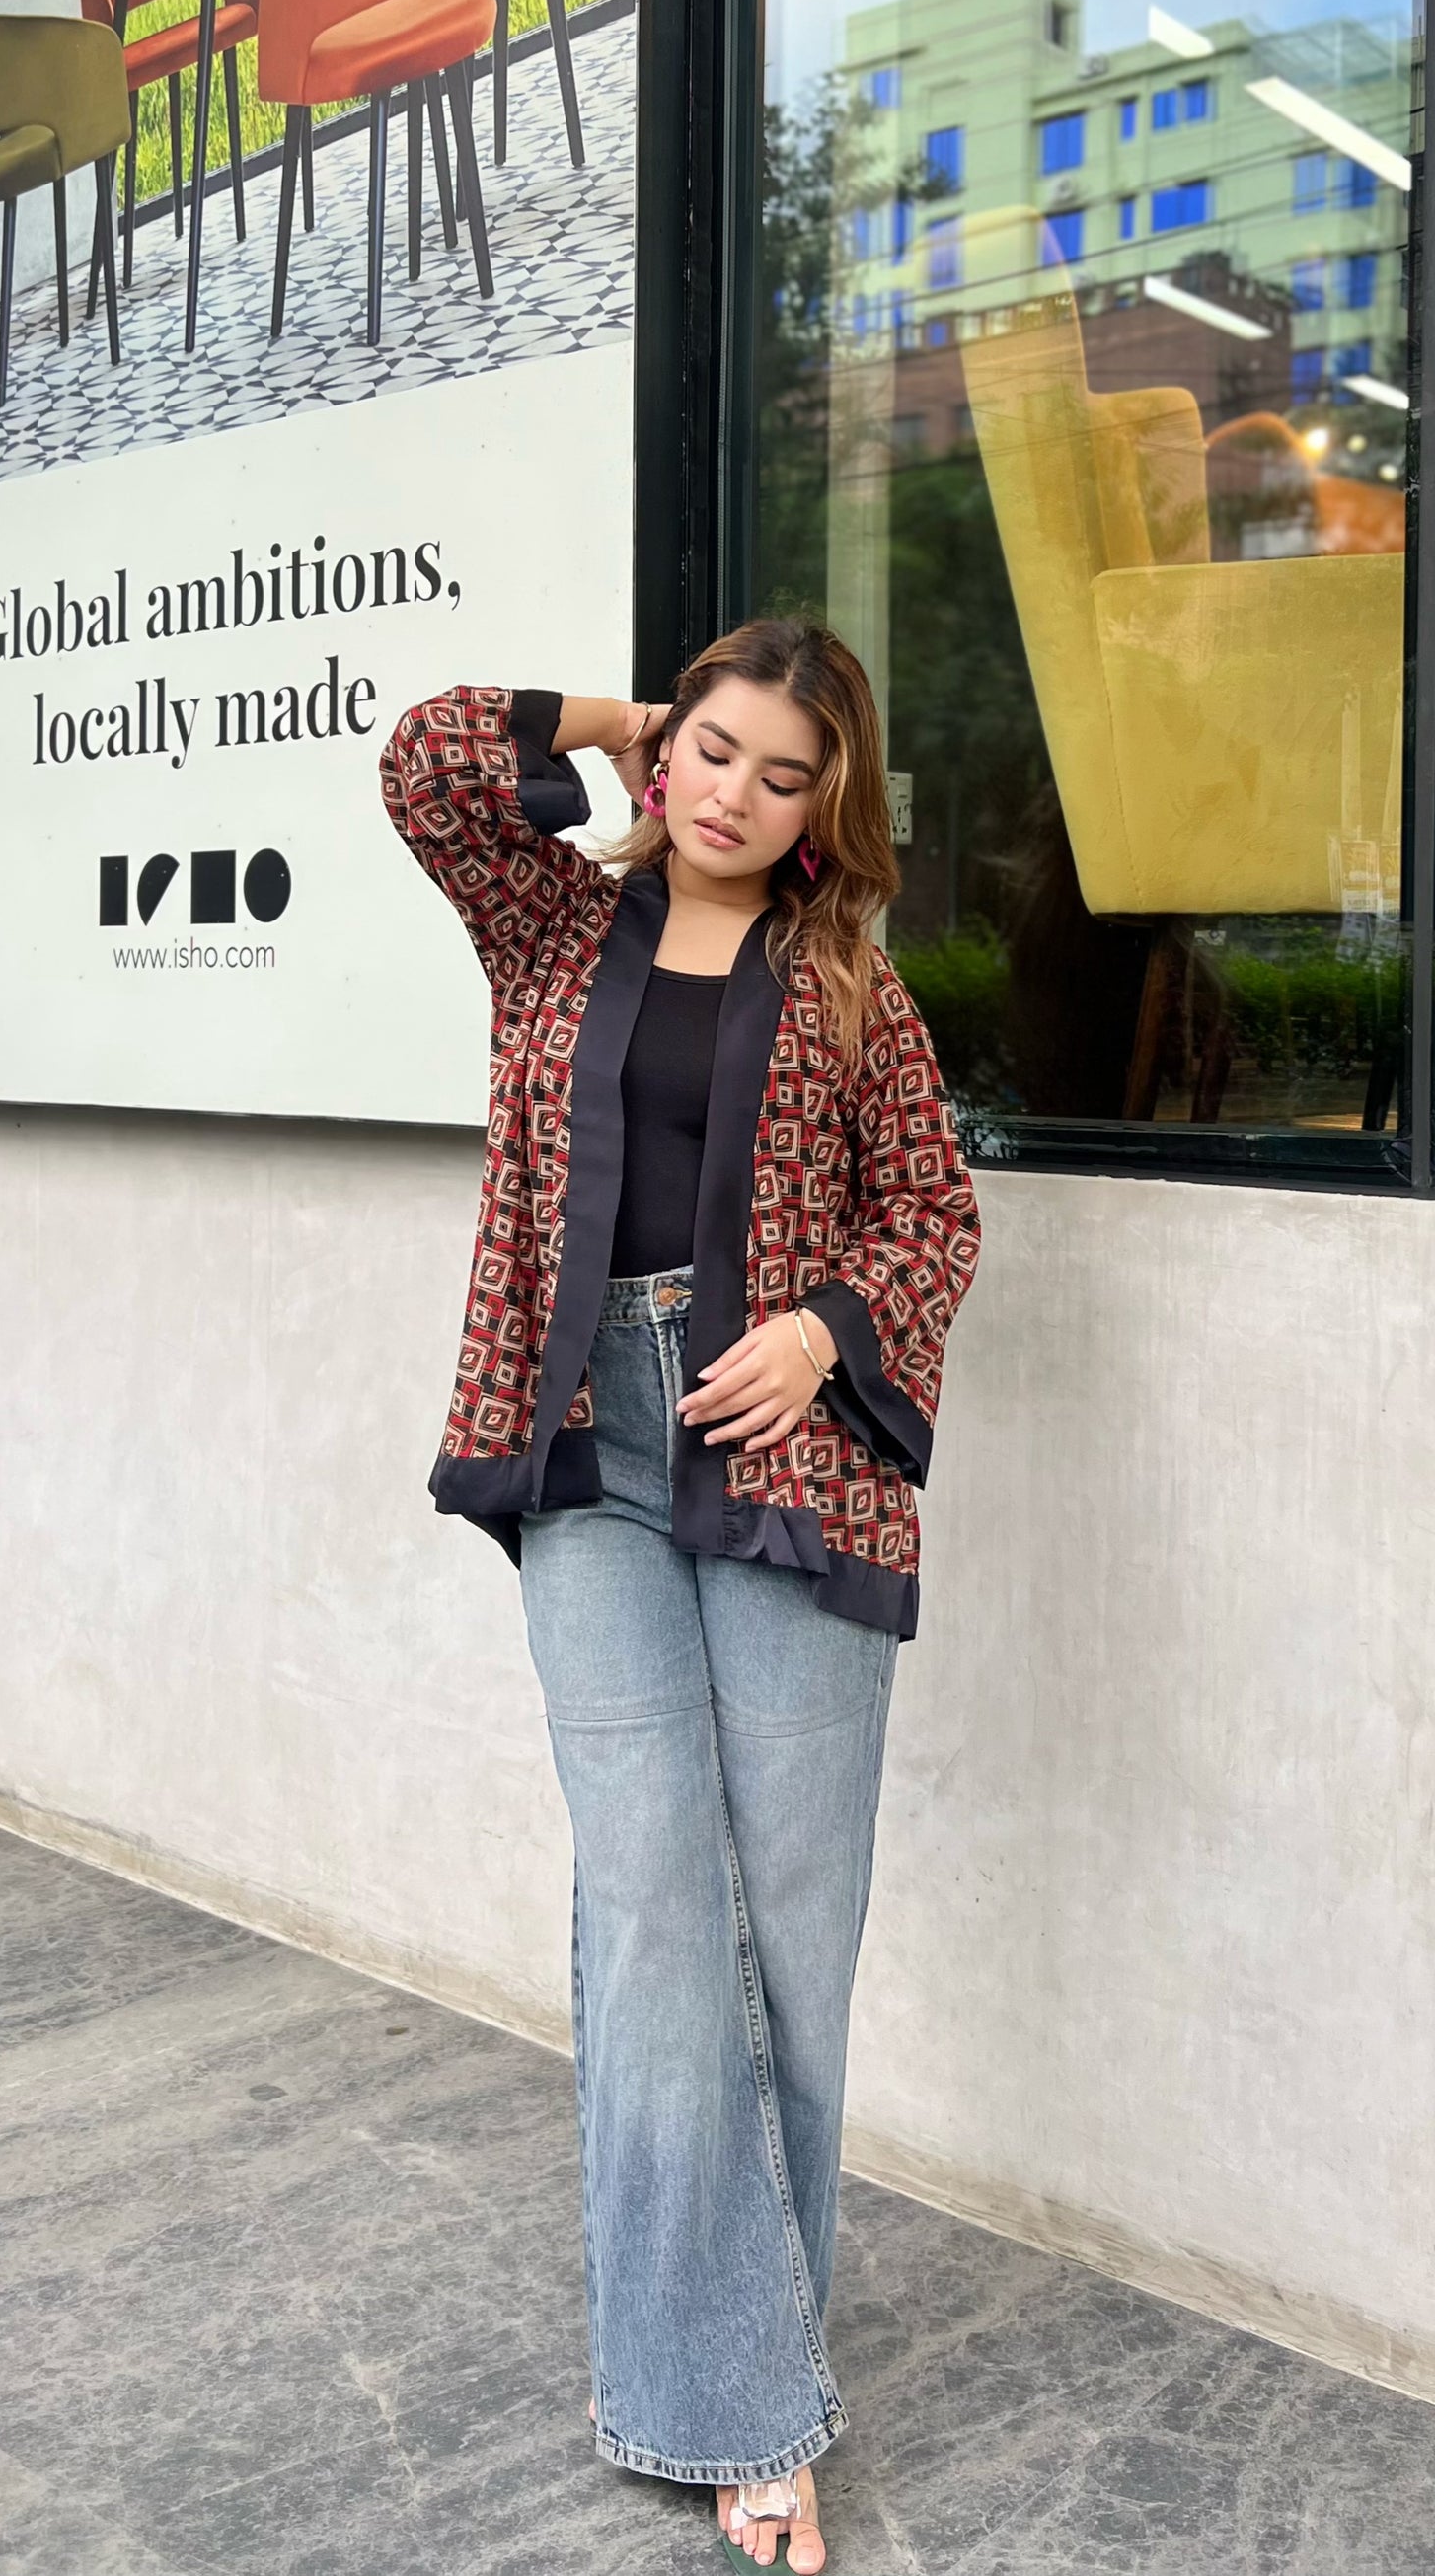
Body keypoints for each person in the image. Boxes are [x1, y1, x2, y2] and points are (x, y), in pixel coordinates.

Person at [379, 620, 981, 2569]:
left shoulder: (852, 987)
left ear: (826, 812)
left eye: (781, 774)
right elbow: (427, 760)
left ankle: (736, 2361)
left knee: (788, 1932)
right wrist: (627, 713)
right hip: (587, 1448)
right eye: (711, 750)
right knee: (652, 1903)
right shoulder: (553, 928)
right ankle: (732, 2404)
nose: (732, 793)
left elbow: (934, 1213)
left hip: (782, 1458)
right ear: (668, 753)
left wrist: (820, 1332)